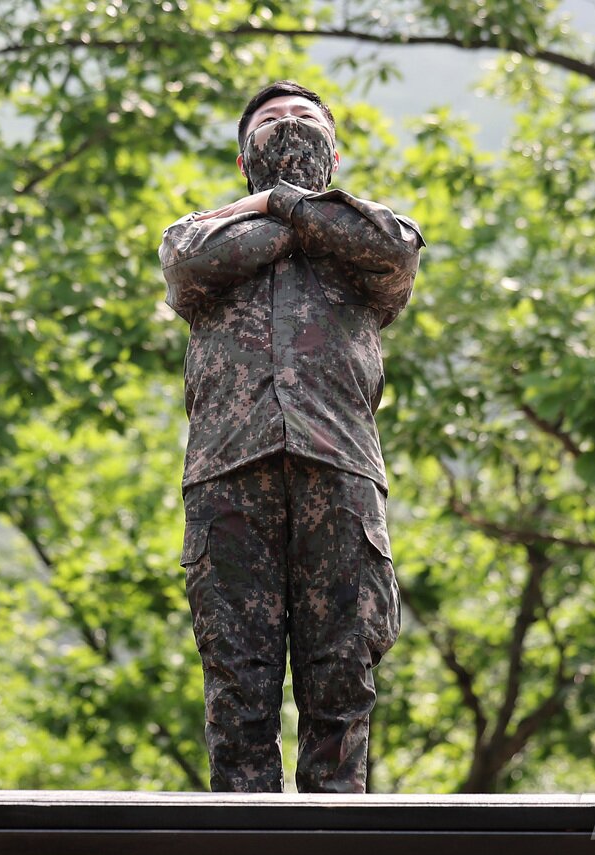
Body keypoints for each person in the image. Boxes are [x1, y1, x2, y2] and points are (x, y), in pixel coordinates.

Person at [158, 80, 424, 793]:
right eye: (271, 120)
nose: (288, 124)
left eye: (304, 118)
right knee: (238, 693)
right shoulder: (198, 229)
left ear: (334, 153)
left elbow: (393, 258)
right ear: (242, 160)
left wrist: (281, 203)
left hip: (338, 473)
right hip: (229, 476)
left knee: (342, 686)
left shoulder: (379, 230)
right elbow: (190, 268)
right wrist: (303, 218)